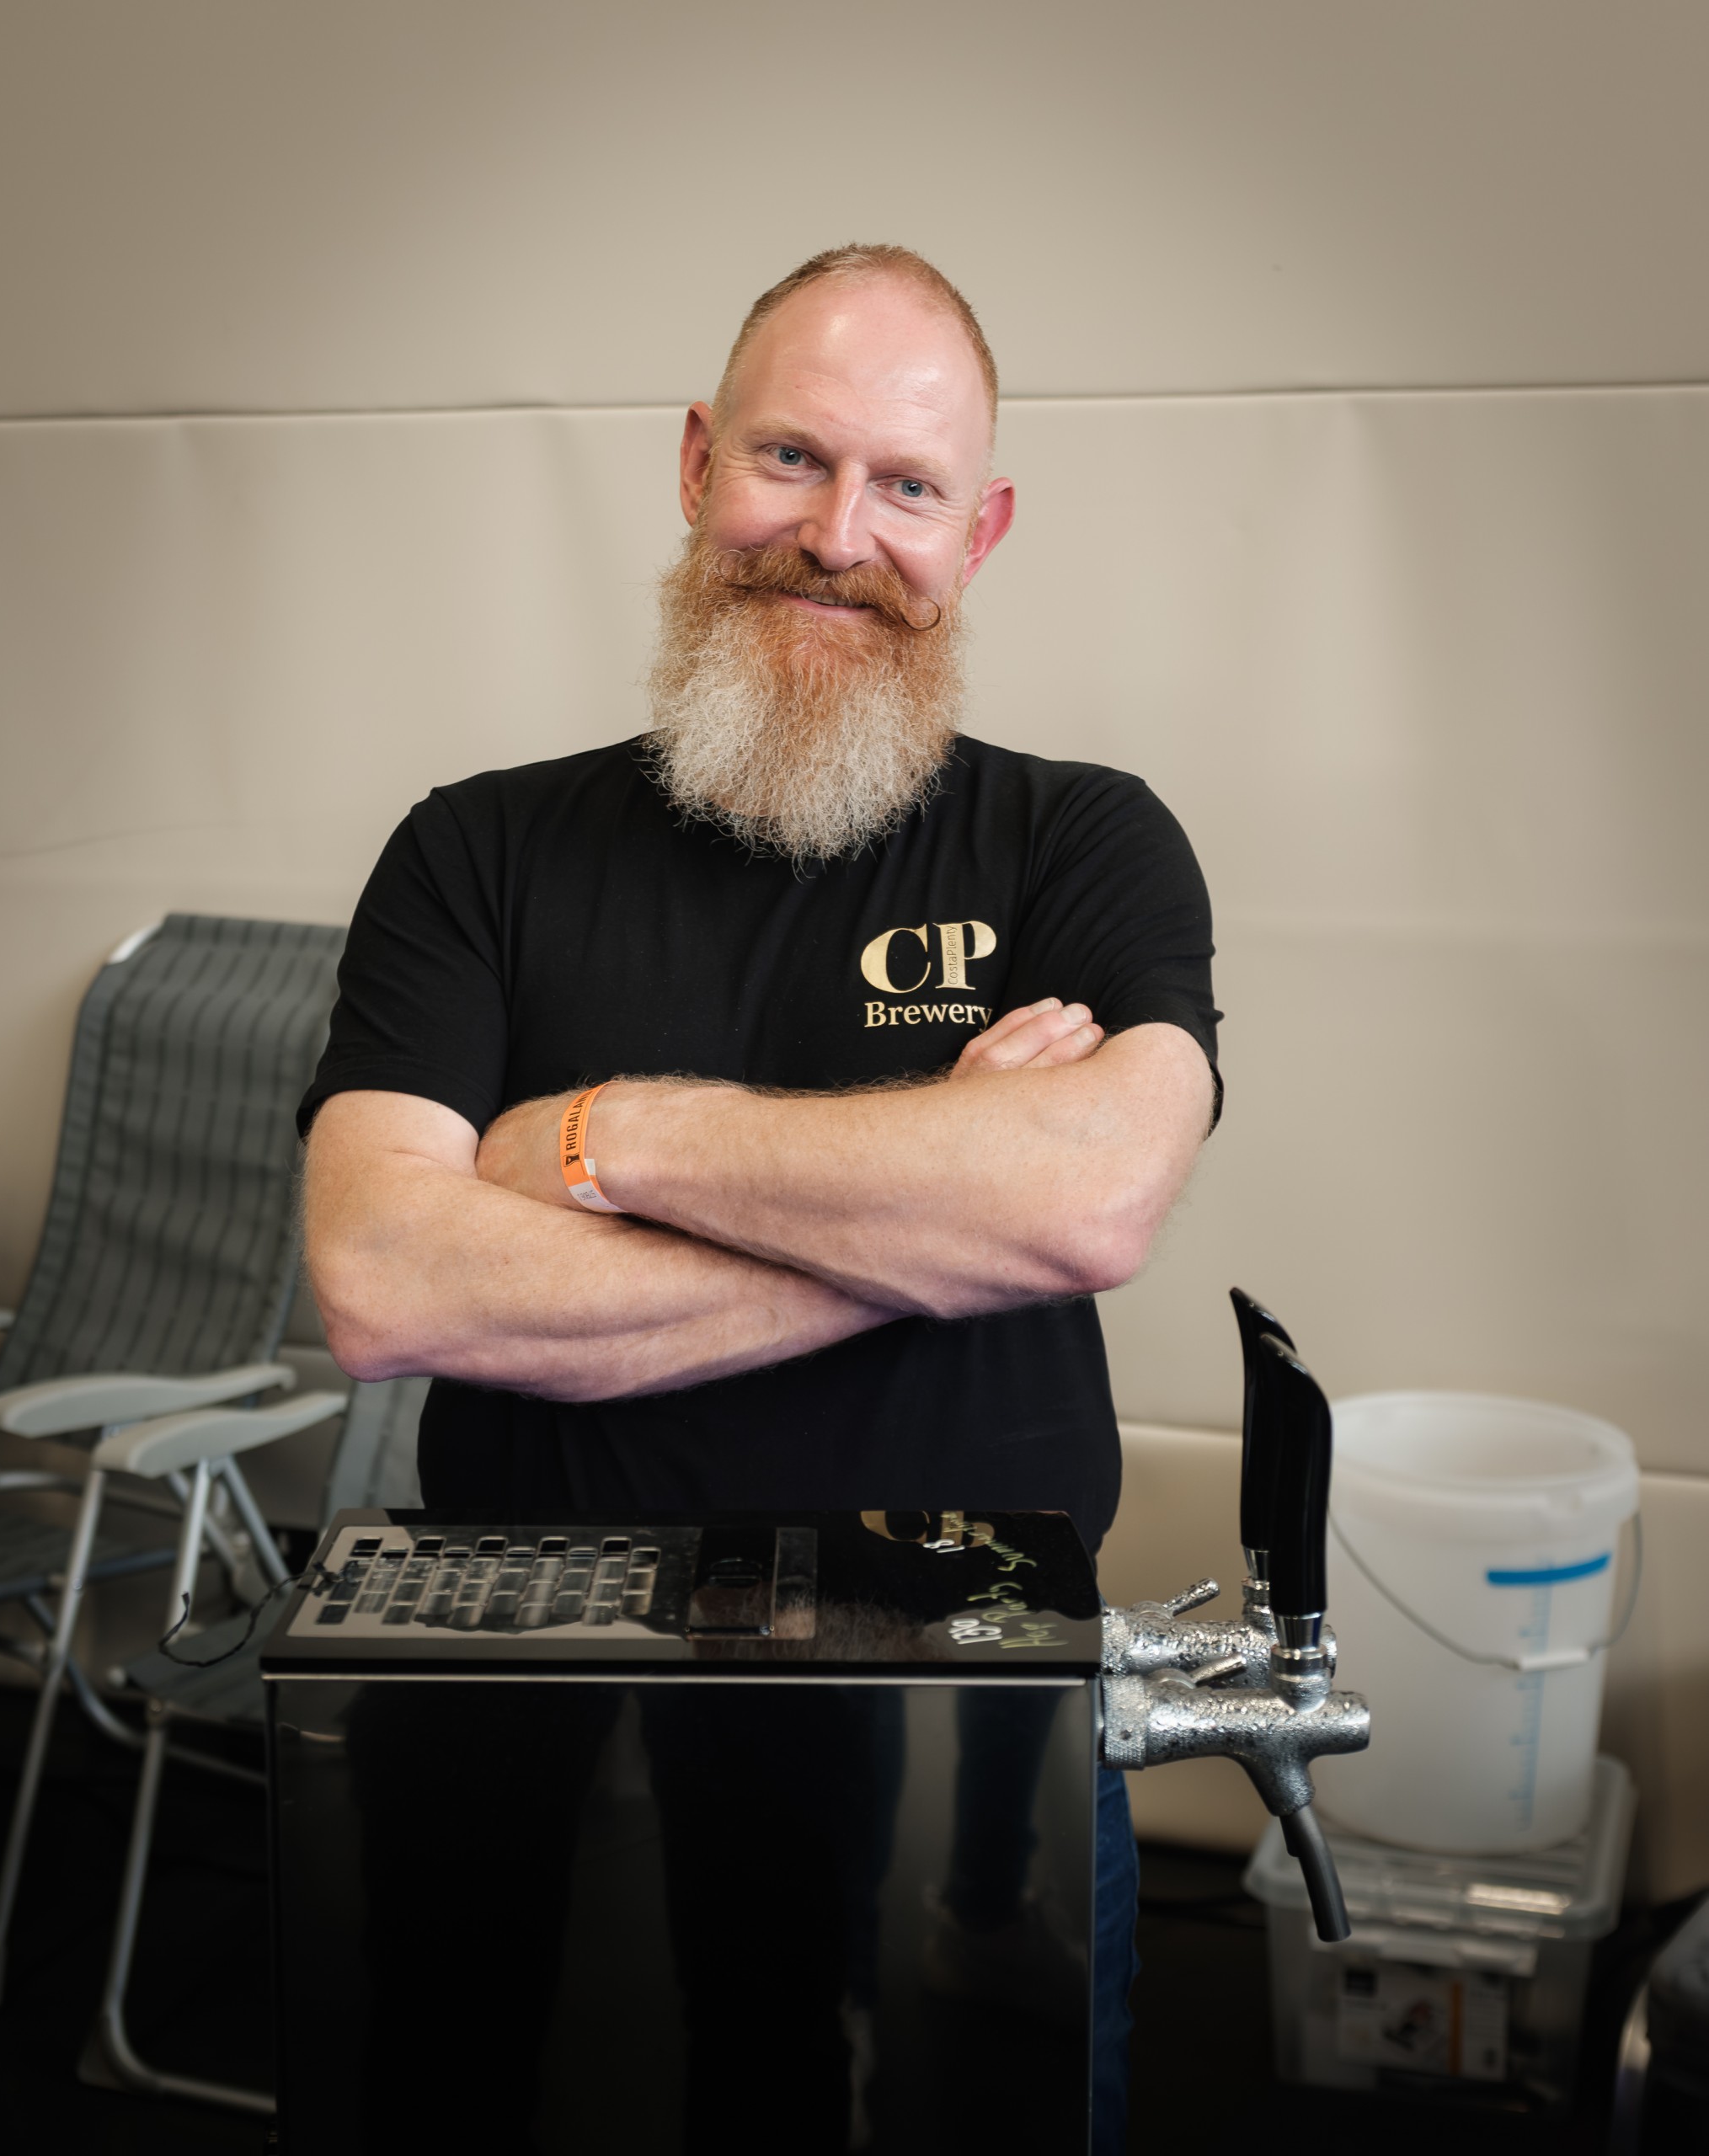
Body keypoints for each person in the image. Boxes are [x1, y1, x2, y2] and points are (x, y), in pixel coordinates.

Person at [301, 242, 1220, 2151]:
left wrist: (599, 1137)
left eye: (907, 485)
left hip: (955, 1674)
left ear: (979, 532)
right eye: (791, 456)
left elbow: (1091, 1203)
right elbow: (387, 1274)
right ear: (697, 462)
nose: (837, 534)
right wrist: (934, 1214)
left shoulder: (1083, 838)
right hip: (538, 1674)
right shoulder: (474, 849)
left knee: (839, 2094)